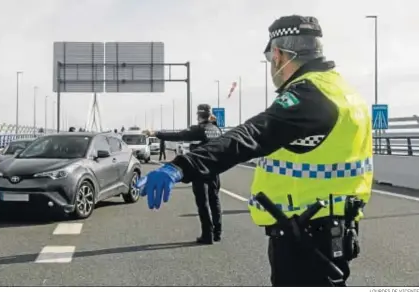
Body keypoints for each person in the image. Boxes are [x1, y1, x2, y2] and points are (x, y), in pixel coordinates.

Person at [136, 15, 372, 287]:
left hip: (304, 234)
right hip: (334, 229)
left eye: (271, 58)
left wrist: (180, 166)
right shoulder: (344, 92)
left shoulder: (308, 96)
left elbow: (248, 135)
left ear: (278, 54)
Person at [149, 104, 223, 244]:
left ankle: (207, 235)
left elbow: (178, 136)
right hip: (214, 169)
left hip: (199, 169)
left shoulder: (198, 129)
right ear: (209, 115)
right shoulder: (216, 129)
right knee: (215, 200)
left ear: (198, 115)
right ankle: (217, 233)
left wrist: (157, 134)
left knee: (203, 203)